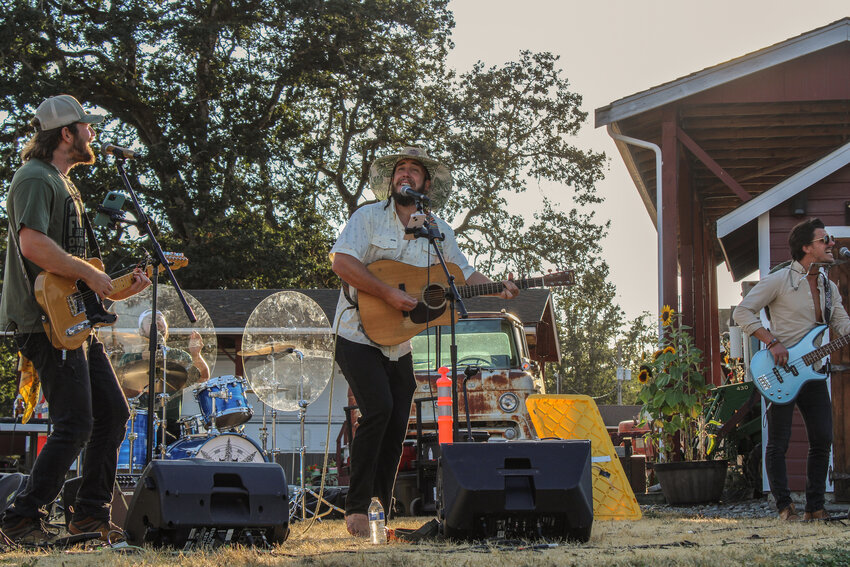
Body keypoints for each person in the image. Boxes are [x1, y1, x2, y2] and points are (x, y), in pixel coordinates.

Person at [329, 146, 519, 537]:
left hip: (398, 341)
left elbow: (462, 275)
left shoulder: (438, 231)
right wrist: (387, 294)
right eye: (401, 169)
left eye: (415, 171)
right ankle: (356, 507)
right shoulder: (367, 217)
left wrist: (498, 288)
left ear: (425, 184)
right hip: (355, 331)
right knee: (378, 409)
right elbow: (342, 262)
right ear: (391, 180)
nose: (407, 174)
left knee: (400, 420)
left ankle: (381, 505)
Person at [0, 95, 151, 545]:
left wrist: (118, 286)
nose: (93, 133)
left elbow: (71, 271)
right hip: (41, 320)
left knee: (112, 412)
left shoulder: (66, 185)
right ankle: (21, 517)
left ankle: (88, 514)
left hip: (69, 319)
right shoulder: (34, 178)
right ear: (65, 134)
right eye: (87, 127)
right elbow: (34, 246)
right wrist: (89, 271)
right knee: (76, 422)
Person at [733, 218, 850, 522]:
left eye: (831, 239)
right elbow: (742, 312)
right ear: (806, 247)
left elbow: (842, 325)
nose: (831, 244)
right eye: (825, 240)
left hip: (813, 372)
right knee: (779, 442)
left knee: (823, 438)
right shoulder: (779, 280)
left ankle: (814, 507)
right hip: (779, 370)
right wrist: (771, 342)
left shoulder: (828, 286)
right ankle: (785, 506)